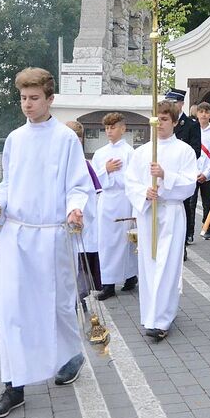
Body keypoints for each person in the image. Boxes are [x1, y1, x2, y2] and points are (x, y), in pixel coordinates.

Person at [0, 68, 90, 418]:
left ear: (50, 99)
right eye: (23, 98)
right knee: (11, 310)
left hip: (52, 235)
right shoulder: (15, 139)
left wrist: (75, 208)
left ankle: (71, 355)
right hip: (16, 235)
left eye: (34, 98)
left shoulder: (65, 139)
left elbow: (78, 184)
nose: (27, 104)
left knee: (57, 306)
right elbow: (8, 184)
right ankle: (14, 386)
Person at [124, 100, 198, 341]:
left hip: (171, 213)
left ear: (174, 122)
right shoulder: (141, 152)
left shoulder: (184, 151)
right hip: (148, 213)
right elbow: (130, 182)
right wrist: (144, 193)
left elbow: (190, 184)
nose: (159, 124)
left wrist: (165, 176)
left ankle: (163, 319)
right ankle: (150, 315)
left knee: (167, 265)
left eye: (165, 119)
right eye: (156, 119)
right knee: (149, 264)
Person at [93, 113, 138, 301]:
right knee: (106, 242)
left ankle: (130, 276)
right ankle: (108, 282)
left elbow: (133, 178)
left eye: (113, 127)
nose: (109, 131)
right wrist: (106, 170)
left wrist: (114, 175)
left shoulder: (130, 152)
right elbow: (94, 179)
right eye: (107, 128)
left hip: (123, 200)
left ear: (123, 128)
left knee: (124, 241)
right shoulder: (100, 153)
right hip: (106, 200)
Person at [65, 120, 103, 301]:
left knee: (78, 262)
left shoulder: (81, 164)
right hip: (71, 220)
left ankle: (79, 297)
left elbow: (89, 194)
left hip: (79, 220)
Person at [165, 88, 201, 248]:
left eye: (174, 103)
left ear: (181, 104)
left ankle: (184, 239)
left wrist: (180, 161)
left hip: (181, 172)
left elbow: (196, 150)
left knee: (185, 205)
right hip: (164, 172)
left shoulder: (191, 125)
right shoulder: (163, 122)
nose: (171, 106)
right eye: (168, 103)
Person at [192, 102, 210, 240]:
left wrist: (207, 173)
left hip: (207, 174)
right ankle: (189, 232)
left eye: (206, 112)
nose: (203, 114)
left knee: (207, 202)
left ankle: (206, 227)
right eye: (201, 111)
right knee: (190, 203)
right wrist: (194, 171)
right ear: (197, 113)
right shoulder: (192, 130)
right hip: (193, 173)